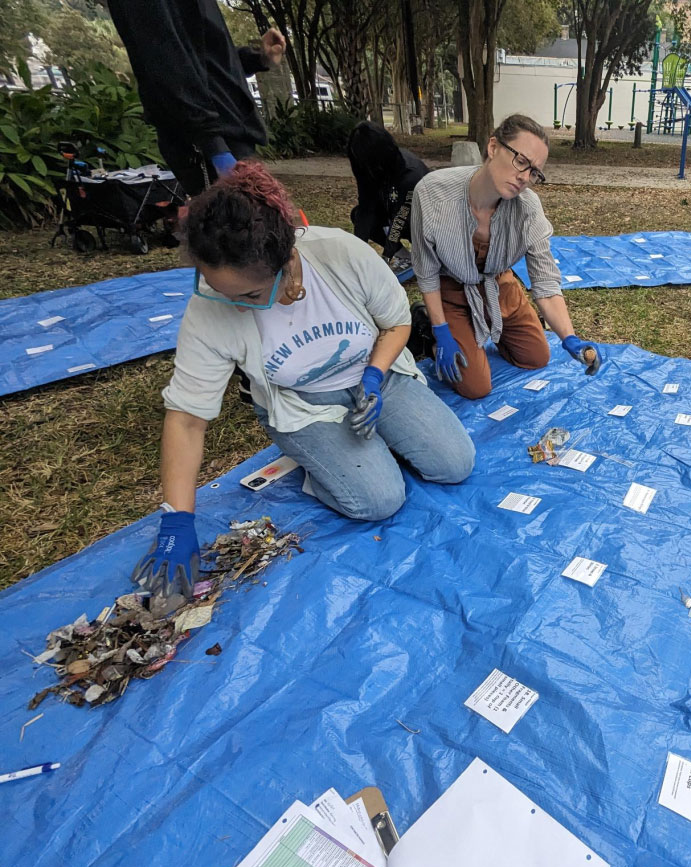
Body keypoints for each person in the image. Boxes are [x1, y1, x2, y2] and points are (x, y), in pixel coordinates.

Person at [131, 163, 475, 599]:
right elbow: (185, 418)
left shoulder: (341, 254)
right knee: (378, 500)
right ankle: (322, 462)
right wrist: (177, 519)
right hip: (304, 404)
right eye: (222, 293)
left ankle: (373, 442)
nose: (236, 307)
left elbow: (396, 323)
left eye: (252, 296)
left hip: (378, 380)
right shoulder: (213, 307)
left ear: (289, 260)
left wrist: (374, 375)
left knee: (455, 464)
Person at [410, 114, 601, 400]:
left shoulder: (528, 208)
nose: (525, 177)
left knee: (536, 357)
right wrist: (442, 330)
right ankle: (431, 329)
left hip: (498, 284)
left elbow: (546, 282)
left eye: (534, 171)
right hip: (451, 288)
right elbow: (425, 272)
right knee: (476, 388)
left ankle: (489, 328)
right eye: (521, 161)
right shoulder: (431, 193)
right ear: (493, 147)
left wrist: (569, 338)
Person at [107, 0, 287, 196]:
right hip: (208, 142)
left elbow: (207, 60)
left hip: (231, 133)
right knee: (231, 222)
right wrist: (215, 147)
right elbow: (166, 63)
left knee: (256, 222)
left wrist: (258, 58)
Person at [347, 120, 430, 266]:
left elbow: (399, 220)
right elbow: (366, 207)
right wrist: (357, 253)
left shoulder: (410, 174)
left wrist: (385, 259)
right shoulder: (365, 166)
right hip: (393, 212)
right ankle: (405, 256)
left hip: (420, 221)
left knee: (408, 224)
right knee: (358, 214)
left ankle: (424, 257)